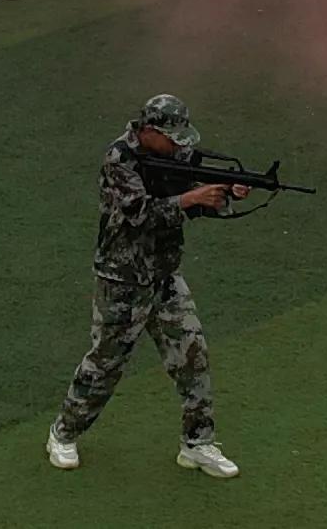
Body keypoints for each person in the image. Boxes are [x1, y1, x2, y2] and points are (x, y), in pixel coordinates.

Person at [46, 94, 242, 479]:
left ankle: (197, 443)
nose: (180, 144)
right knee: (106, 363)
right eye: (172, 136)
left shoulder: (173, 155)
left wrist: (221, 196)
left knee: (192, 356)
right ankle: (63, 433)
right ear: (150, 132)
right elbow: (141, 214)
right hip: (122, 280)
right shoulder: (119, 160)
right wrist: (191, 198)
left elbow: (192, 202)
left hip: (165, 276)